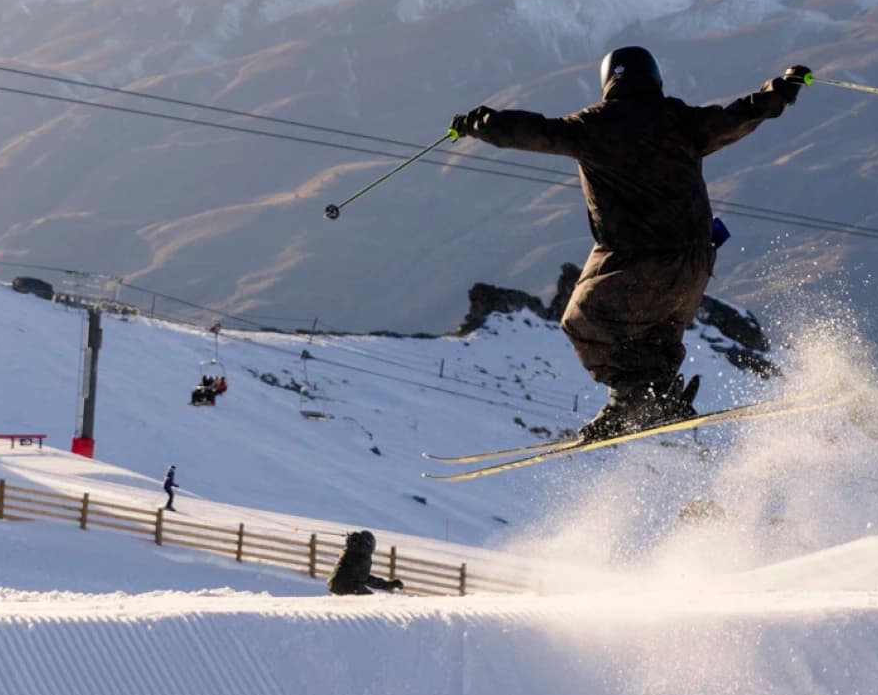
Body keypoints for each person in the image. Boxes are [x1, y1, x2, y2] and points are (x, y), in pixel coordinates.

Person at [453, 48, 808, 440]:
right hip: (695, 262)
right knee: (657, 328)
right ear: (655, 79)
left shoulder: (595, 126)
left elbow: (536, 131)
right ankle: (659, 395)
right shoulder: (682, 119)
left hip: (641, 260)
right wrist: (781, 91)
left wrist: (479, 124)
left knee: (581, 321)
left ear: (609, 83)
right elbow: (740, 115)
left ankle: (633, 398)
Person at [328, 530, 406, 596]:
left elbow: (361, 577)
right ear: (368, 544)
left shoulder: (351, 550)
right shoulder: (361, 555)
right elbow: (366, 579)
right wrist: (390, 585)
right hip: (347, 585)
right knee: (370, 601)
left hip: (335, 583)